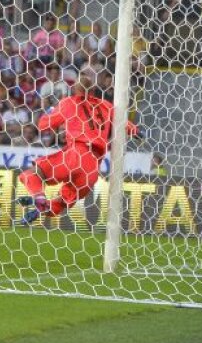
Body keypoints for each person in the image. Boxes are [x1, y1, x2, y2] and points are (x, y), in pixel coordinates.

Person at [16, 66, 137, 225]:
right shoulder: (107, 106)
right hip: (92, 170)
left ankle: (38, 197)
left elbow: (43, 125)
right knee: (62, 203)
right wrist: (136, 131)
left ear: (74, 89)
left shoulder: (69, 103)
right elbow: (129, 127)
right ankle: (40, 209)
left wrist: (51, 110)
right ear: (93, 90)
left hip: (76, 155)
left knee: (33, 174)